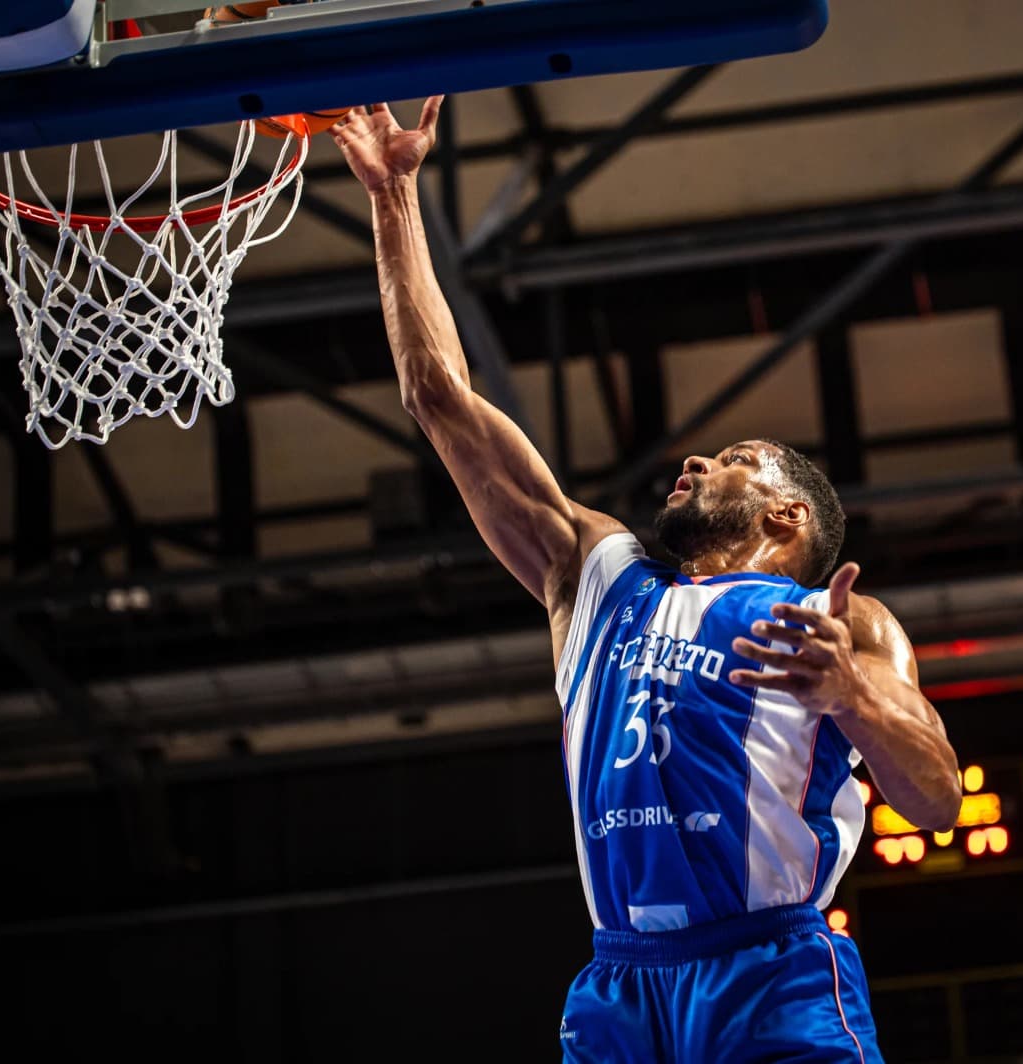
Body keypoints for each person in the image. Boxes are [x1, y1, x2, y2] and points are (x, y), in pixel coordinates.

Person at [332, 98, 962, 1063]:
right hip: (621, 984)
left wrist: (853, 694)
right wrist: (395, 197)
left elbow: (937, 797)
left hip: (767, 971)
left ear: (788, 516)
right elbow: (438, 399)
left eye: (735, 457)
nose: (698, 462)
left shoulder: (836, 621)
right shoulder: (597, 574)